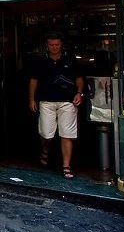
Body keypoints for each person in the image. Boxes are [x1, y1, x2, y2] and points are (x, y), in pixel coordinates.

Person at [29, 33, 84, 179]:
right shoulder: (41, 61)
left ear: (61, 45)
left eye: (57, 45)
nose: (54, 47)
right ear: (47, 45)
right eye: (51, 45)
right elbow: (33, 81)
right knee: (46, 133)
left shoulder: (71, 60)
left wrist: (79, 93)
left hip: (68, 101)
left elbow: (79, 78)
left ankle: (66, 166)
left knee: (67, 134)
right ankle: (45, 149)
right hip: (46, 101)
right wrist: (31, 99)